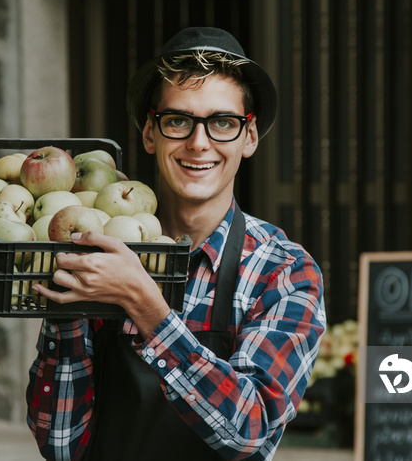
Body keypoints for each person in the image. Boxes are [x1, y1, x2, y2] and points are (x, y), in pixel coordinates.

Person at [26, 26, 325, 461]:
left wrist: (147, 307)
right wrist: (69, 308)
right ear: (151, 132)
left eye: (222, 122)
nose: (199, 142)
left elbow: (250, 431)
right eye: (178, 120)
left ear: (250, 136)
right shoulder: (99, 252)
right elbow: (60, 445)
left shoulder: (282, 272)